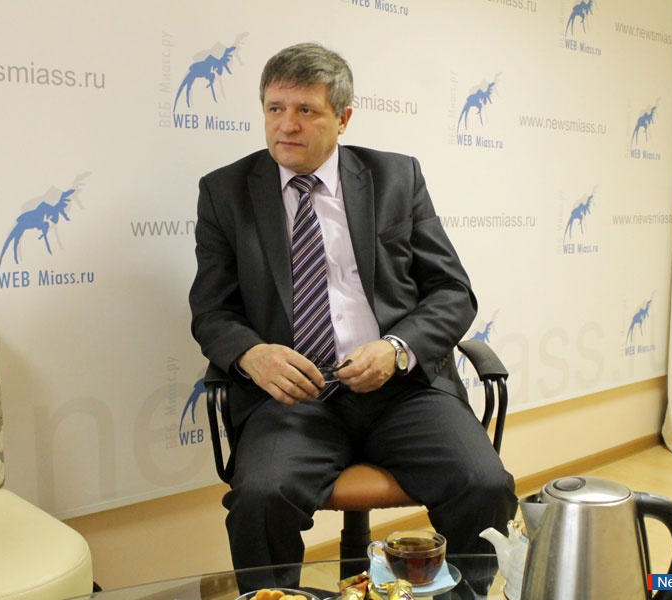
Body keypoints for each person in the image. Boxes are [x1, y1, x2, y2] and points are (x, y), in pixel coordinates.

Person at [189, 42, 516, 588]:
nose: (286, 125)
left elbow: (452, 292)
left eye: (306, 110)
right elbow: (212, 310)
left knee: (483, 485)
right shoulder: (226, 192)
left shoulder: (395, 178)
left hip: (404, 391)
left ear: (343, 118)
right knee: (260, 498)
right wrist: (252, 354)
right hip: (294, 397)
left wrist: (397, 349)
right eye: (275, 108)